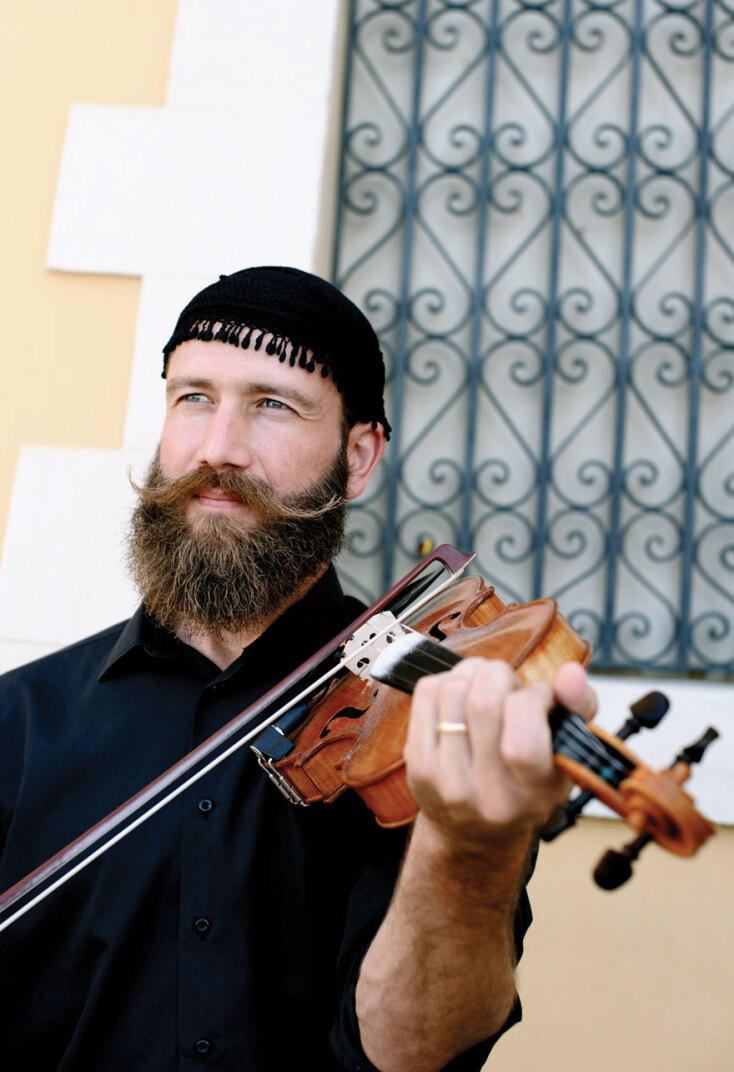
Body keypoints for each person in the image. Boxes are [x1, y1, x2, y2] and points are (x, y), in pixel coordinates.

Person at [0, 267, 596, 1071]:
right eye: (193, 398)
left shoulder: (434, 724)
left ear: (359, 455)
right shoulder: (18, 724)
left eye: (272, 405)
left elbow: (410, 1056)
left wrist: (466, 851)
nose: (218, 448)